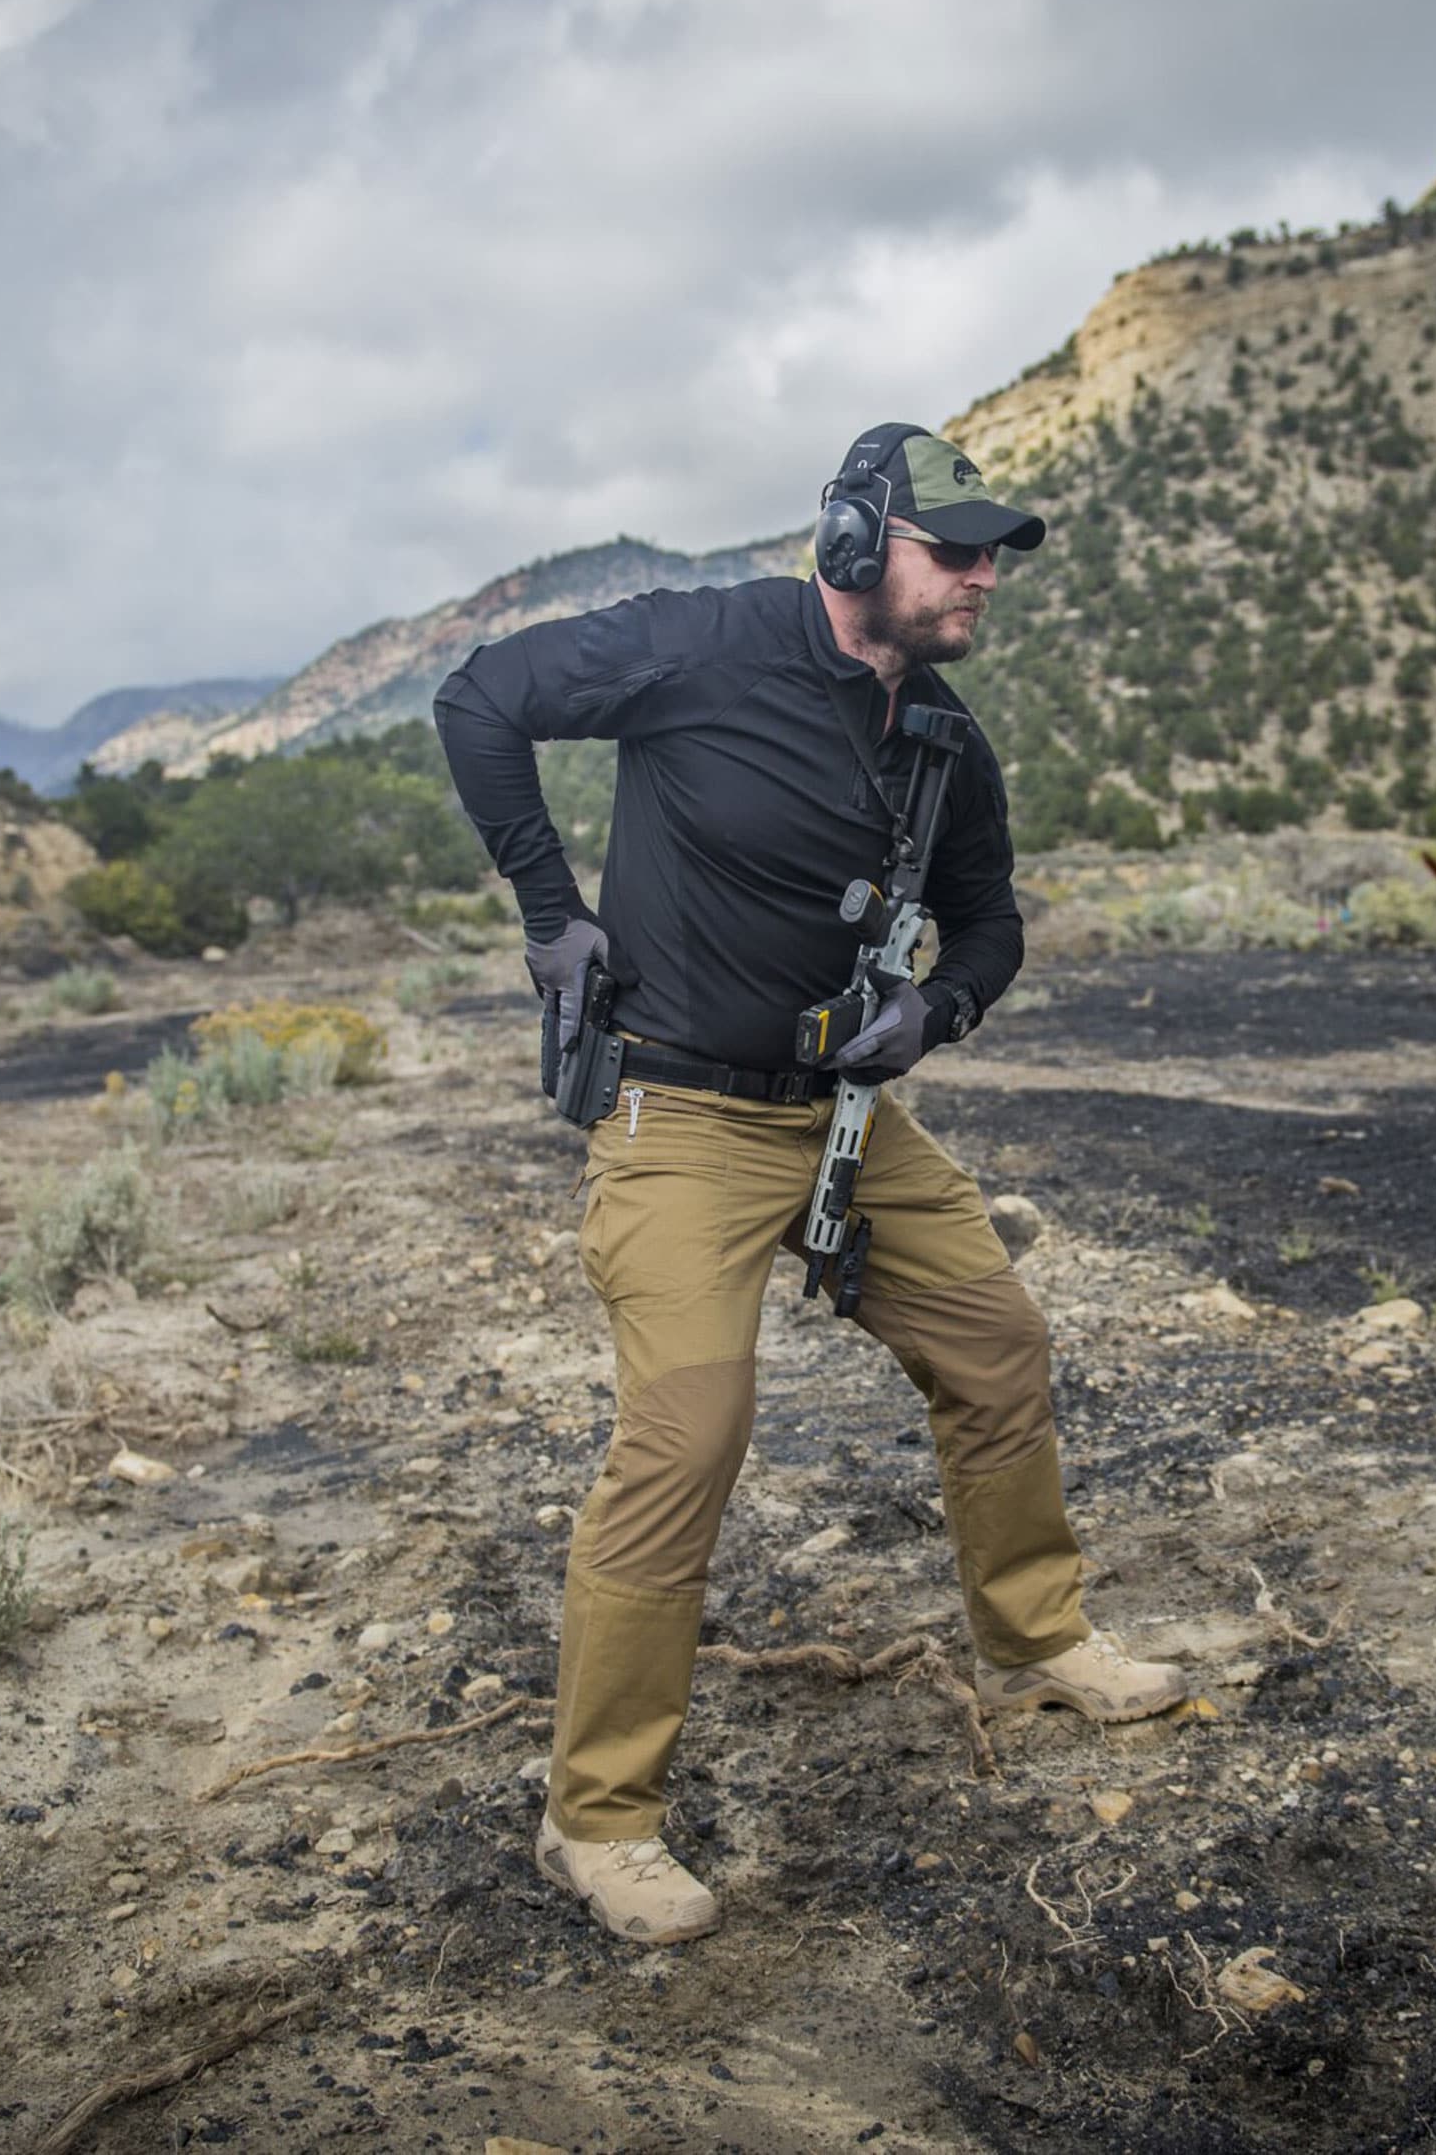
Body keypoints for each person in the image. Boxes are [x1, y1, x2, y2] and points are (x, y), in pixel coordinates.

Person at [433, 422, 1188, 1946]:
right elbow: (480, 699)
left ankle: (1036, 1639)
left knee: (997, 1348)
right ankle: (597, 1820)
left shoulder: (943, 743)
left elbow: (990, 921)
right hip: (682, 1117)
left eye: (993, 556)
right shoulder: (698, 645)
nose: (981, 577)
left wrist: (941, 1012)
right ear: (856, 543)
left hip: (844, 1117)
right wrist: (547, 907)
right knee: (689, 1434)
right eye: (952, 549)